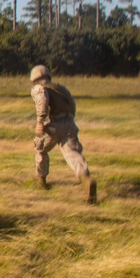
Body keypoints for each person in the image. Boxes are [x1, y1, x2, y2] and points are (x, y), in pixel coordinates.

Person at [30, 64, 97, 203]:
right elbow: (72, 105)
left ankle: (42, 181)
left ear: (35, 79)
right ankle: (86, 178)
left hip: (53, 124)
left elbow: (42, 103)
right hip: (69, 123)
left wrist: (40, 122)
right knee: (72, 153)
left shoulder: (39, 89)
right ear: (48, 75)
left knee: (40, 149)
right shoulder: (62, 89)